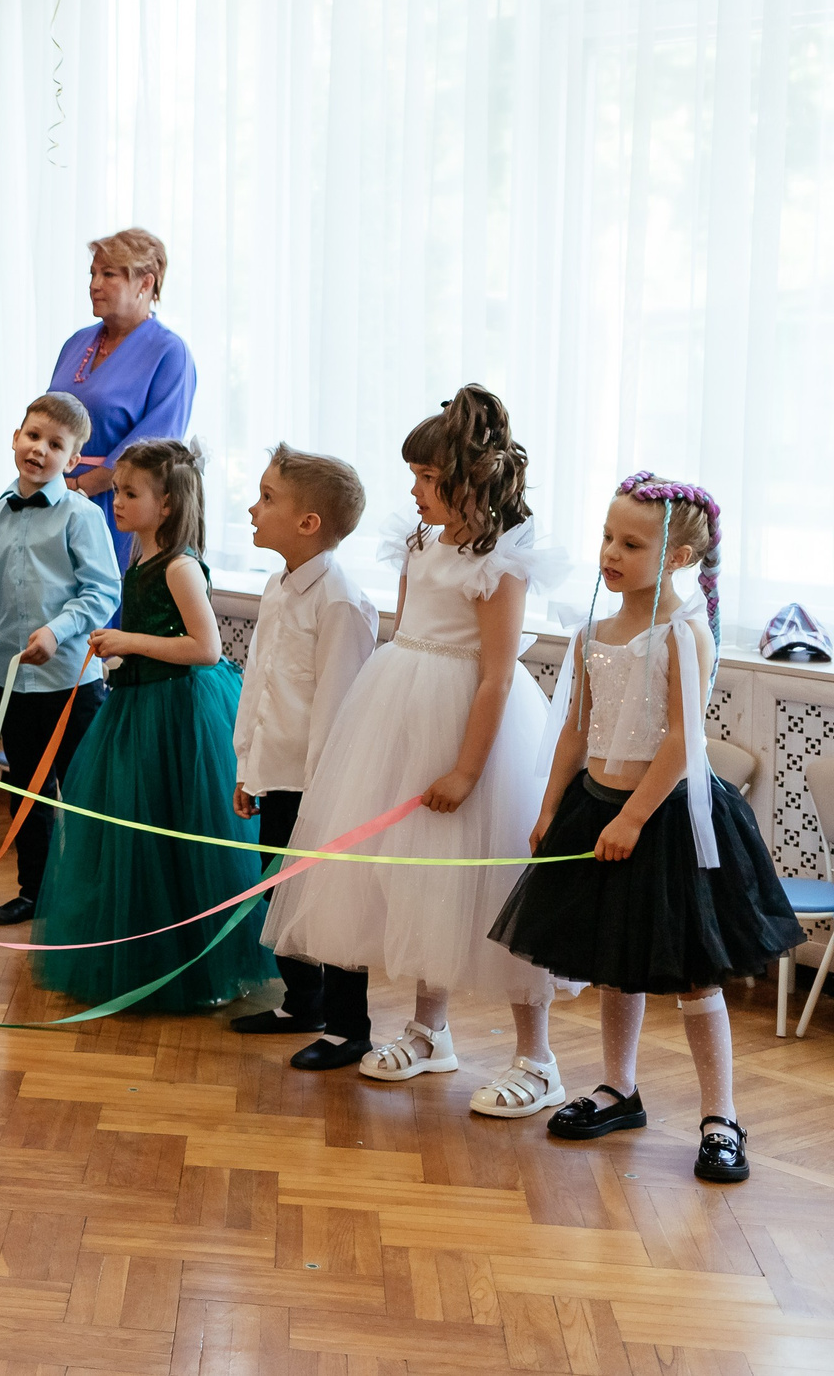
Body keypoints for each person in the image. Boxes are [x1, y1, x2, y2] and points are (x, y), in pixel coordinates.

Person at [262, 385, 568, 1114]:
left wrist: (466, 767)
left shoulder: (502, 562)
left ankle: (539, 1057)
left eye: (427, 479)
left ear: (467, 481)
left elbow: (496, 674)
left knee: (488, 889)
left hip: (471, 727)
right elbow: (406, 634)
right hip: (400, 708)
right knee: (422, 880)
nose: (413, 489)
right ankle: (430, 1031)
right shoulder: (417, 543)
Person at [491, 476, 803, 1183]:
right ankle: (617, 1087)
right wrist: (550, 806)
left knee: (694, 977)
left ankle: (720, 1115)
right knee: (615, 964)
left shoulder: (682, 634)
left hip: (662, 822)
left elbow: (680, 742)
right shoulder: (590, 632)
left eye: (631, 543)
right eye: (608, 537)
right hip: (596, 811)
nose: (611, 552)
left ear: (681, 555)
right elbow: (573, 727)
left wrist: (634, 817)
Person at [30, 440, 271, 1010]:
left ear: (166, 505)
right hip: (138, 706)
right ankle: (140, 954)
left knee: (177, 831)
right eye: (117, 489)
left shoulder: (180, 566)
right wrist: (123, 652)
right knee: (131, 834)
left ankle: (196, 966)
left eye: (129, 493)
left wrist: (127, 641)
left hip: (177, 714)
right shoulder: (137, 555)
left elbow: (207, 648)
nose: (116, 501)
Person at [227, 447, 382, 1068]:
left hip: (321, 785)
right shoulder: (277, 586)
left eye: (267, 498)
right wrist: (248, 767)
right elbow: (259, 682)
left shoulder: (339, 601)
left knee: (329, 902)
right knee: (279, 890)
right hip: (278, 773)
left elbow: (338, 708)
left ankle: (350, 1026)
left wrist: (325, 796)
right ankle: (303, 1000)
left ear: (308, 522)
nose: (253, 508)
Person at [0, 393, 122, 926]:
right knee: (26, 793)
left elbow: (102, 591)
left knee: (82, 792)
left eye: (55, 444)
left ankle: (91, 893)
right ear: (16, 436)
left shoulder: (81, 516)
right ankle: (34, 890)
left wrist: (58, 634)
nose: (39, 450)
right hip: (14, 682)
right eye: (33, 436)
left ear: (73, 457)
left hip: (70, 680)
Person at [47, 229, 197, 588]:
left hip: (121, 508)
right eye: (92, 274)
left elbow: (154, 448)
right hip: (58, 496)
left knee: (107, 612)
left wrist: (81, 486)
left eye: (108, 274)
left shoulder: (169, 353)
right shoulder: (76, 342)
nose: (94, 284)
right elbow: (49, 417)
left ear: (145, 283)